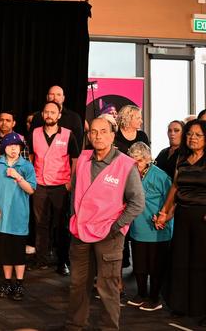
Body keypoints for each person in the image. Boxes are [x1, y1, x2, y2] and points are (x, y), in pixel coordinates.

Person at [66, 117, 144, 331]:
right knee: (77, 284)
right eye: (94, 132)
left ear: (112, 135)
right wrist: (74, 218)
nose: (98, 135)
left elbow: (137, 203)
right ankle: (74, 325)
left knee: (107, 286)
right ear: (89, 136)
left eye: (103, 131)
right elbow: (74, 191)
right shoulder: (82, 158)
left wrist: (115, 227)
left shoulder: (126, 165)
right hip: (80, 232)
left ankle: (109, 328)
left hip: (109, 236)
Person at [155, 119, 206, 322]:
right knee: (181, 260)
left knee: (201, 263)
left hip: (203, 217)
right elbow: (175, 188)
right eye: (189, 134)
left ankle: (201, 309)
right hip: (183, 216)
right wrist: (165, 212)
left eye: (198, 135)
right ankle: (181, 305)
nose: (192, 138)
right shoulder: (182, 158)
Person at [27, 101, 79, 275]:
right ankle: (41, 259)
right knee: (40, 223)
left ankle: (62, 262)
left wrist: (70, 182)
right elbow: (30, 157)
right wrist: (30, 180)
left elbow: (75, 160)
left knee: (61, 225)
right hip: (39, 185)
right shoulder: (34, 133)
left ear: (59, 115)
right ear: (42, 114)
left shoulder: (68, 134)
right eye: (46, 112)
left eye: (53, 112)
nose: (49, 114)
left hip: (60, 186)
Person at [0, 132, 37, 301]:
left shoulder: (26, 166)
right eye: (10, 146)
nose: (14, 149)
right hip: (2, 216)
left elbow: (31, 189)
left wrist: (17, 176)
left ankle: (19, 283)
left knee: (17, 252)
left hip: (18, 216)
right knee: (5, 252)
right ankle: (7, 282)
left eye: (17, 146)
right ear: (4, 148)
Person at [125, 142, 172, 312]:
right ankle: (141, 294)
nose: (134, 165)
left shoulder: (160, 176)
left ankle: (154, 298)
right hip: (138, 227)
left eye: (137, 161)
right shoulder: (131, 176)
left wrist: (163, 216)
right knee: (139, 265)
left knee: (155, 266)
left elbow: (171, 201)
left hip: (157, 229)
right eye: (132, 161)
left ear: (147, 159)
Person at [30, 85, 84, 153]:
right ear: (47, 97)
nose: (55, 98)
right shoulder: (38, 117)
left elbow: (78, 145)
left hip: (65, 162)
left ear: (63, 98)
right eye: (52, 94)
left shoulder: (74, 118)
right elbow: (31, 143)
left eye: (58, 94)